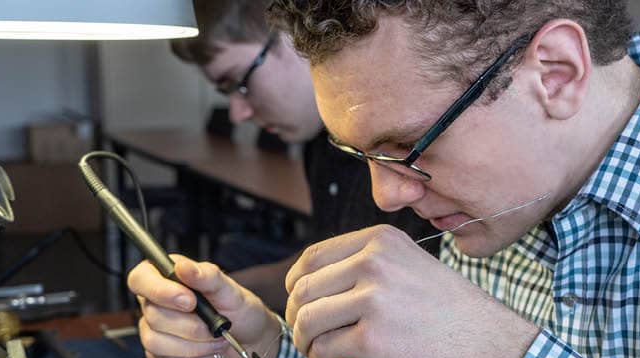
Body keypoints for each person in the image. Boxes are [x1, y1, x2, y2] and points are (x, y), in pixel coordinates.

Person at [130, 0, 640, 358]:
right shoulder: (494, 205)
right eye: (364, 158)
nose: (386, 197)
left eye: (410, 147)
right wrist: (257, 347)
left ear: (555, 73)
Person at [167, 0, 438, 312]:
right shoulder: (319, 145)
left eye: (239, 83)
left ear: (290, 35)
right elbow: (329, 263)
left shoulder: (408, 141)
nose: (238, 113)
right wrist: (225, 291)